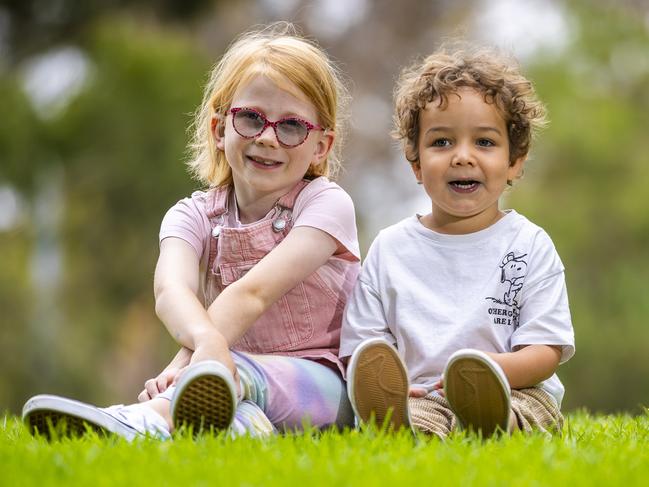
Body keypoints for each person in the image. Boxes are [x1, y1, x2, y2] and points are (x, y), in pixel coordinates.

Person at [23, 22, 359, 440]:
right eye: (251, 118)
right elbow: (171, 291)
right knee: (225, 418)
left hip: (325, 386)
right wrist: (204, 344)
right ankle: (191, 431)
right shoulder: (193, 215)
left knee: (237, 373)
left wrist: (183, 364)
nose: (268, 138)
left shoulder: (326, 205)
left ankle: (139, 418)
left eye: (291, 126)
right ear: (219, 130)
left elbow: (252, 294)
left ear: (320, 146)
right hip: (221, 376)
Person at [340, 45, 575, 439]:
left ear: (514, 160)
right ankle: (406, 432)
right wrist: (391, 386)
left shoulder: (529, 244)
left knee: (525, 413)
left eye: (484, 142)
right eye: (442, 142)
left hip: (515, 388)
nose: (462, 157)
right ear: (415, 162)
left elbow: (545, 351)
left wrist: (489, 372)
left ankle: (494, 425)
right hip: (423, 393)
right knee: (417, 419)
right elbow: (365, 346)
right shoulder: (390, 248)